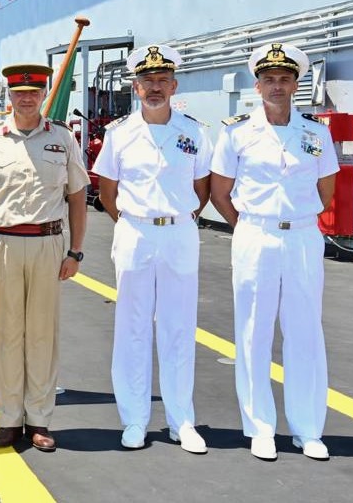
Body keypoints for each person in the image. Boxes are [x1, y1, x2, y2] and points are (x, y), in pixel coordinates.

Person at [210, 42, 338, 462]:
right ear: (257, 83)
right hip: (255, 236)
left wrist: (296, 219)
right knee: (253, 331)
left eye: (284, 79)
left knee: (305, 331)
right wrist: (247, 225)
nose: (276, 86)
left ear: (297, 84)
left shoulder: (316, 133)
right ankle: (260, 427)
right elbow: (220, 191)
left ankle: (307, 429)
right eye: (269, 79)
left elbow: (327, 188)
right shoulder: (236, 132)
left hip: (302, 237)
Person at [92, 45, 212, 454]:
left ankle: (182, 420)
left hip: (179, 232)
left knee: (179, 327)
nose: (155, 87)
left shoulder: (195, 132)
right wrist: (132, 222)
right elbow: (107, 191)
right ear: (135, 87)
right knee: (133, 328)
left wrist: (179, 218)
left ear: (174, 86)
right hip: (135, 232)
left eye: (163, 81)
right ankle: (134, 420)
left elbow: (202, 187)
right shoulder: (119, 134)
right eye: (148, 82)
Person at [0, 63, 89, 451]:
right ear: (10, 97)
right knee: (4, 335)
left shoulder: (63, 140)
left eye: (34, 93)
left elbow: (78, 198)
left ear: (43, 95)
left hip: (48, 244)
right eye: (20, 93)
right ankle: (7, 418)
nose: (27, 99)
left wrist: (75, 251)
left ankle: (39, 419)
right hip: (1, 245)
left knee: (41, 335)